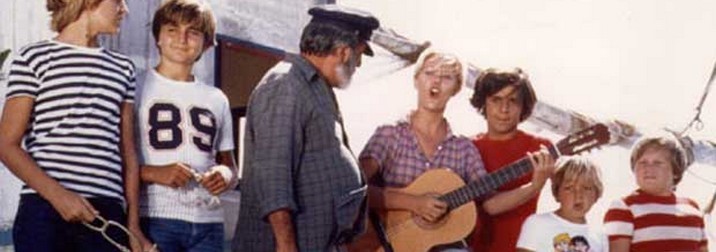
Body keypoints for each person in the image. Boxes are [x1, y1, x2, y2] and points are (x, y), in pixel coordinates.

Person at [0, 0, 152, 251]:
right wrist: (58, 196)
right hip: (44, 210)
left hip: (106, 214)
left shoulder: (123, 69)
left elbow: (129, 155)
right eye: (118, 1)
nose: (125, 10)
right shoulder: (33, 57)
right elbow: (6, 144)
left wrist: (132, 225)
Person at [233, 4, 380, 251]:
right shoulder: (285, 85)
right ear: (344, 52)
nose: (359, 64)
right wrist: (286, 245)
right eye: (360, 54)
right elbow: (273, 175)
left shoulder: (314, 87)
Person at [133, 0, 237, 251]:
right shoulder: (135, 86)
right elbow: (114, 159)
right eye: (172, 29)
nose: (182, 38)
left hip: (208, 222)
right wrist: (152, 173)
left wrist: (224, 175)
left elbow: (230, 165)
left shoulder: (216, 98)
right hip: (155, 216)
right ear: (157, 36)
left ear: (207, 43)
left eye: (193, 32)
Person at [357, 52, 486, 251]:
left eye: (446, 77)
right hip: (388, 242)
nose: (436, 82)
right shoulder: (390, 134)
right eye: (429, 73)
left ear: (456, 88)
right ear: (416, 80)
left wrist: (533, 183)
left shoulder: (464, 148)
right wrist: (412, 202)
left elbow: (491, 199)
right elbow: (354, 188)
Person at [467, 68, 556, 252]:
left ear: (523, 106)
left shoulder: (540, 148)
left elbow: (570, 192)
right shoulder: (466, 148)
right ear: (484, 102)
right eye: (496, 99)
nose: (504, 109)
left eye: (513, 101)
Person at [603, 135, 708, 251]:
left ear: (676, 171)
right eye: (642, 162)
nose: (648, 168)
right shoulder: (624, 207)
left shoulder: (693, 208)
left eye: (657, 163)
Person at [516, 156, 608, 252]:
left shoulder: (600, 235)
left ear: (597, 194)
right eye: (569, 188)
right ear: (557, 193)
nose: (578, 195)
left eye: (586, 188)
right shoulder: (537, 224)